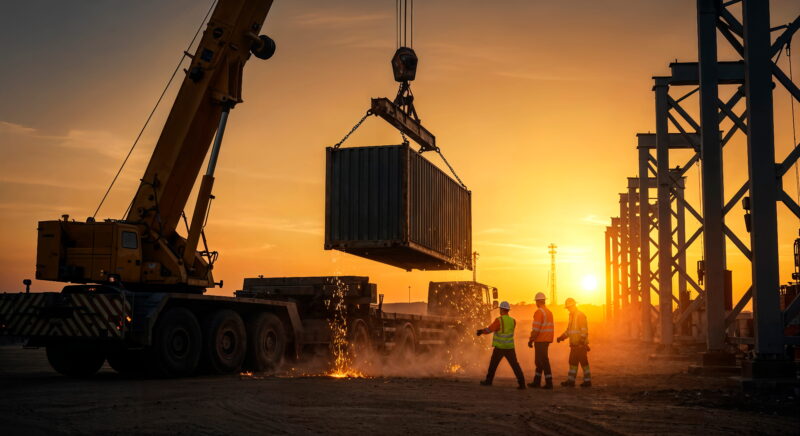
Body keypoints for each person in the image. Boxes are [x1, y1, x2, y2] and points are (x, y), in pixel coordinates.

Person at [477, 301, 526, 389]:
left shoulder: (498, 320)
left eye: (500, 309)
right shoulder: (513, 321)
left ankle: (488, 381)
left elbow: (490, 329)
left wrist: (481, 331)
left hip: (500, 347)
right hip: (510, 347)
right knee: (515, 365)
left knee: (493, 365)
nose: (499, 310)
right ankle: (522, 383)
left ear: (503, 309)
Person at [556, 297, 591, 387]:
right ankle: (571, 381)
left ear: (574, 306)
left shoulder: (580, 315)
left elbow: (584, 330)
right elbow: (569, 331)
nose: (568, 310)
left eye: (569, 308)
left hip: (580, 345)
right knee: (572, 363)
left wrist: (582, 342)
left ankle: (587, 381)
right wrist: (561, 337)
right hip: (574, 345)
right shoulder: (571, 316)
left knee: (584, 363)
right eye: (567, 308)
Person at [526, 292, 554, 389]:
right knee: (540, 361)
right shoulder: (549, 312)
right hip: (546, 340)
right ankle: (537, 381)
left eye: (536, 301)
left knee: (543, 361)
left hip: (540, 340)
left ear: (538, 301)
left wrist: (531, 340)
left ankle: (549, 383)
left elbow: (536, 329)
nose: (535, 304)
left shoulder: (539, 312)